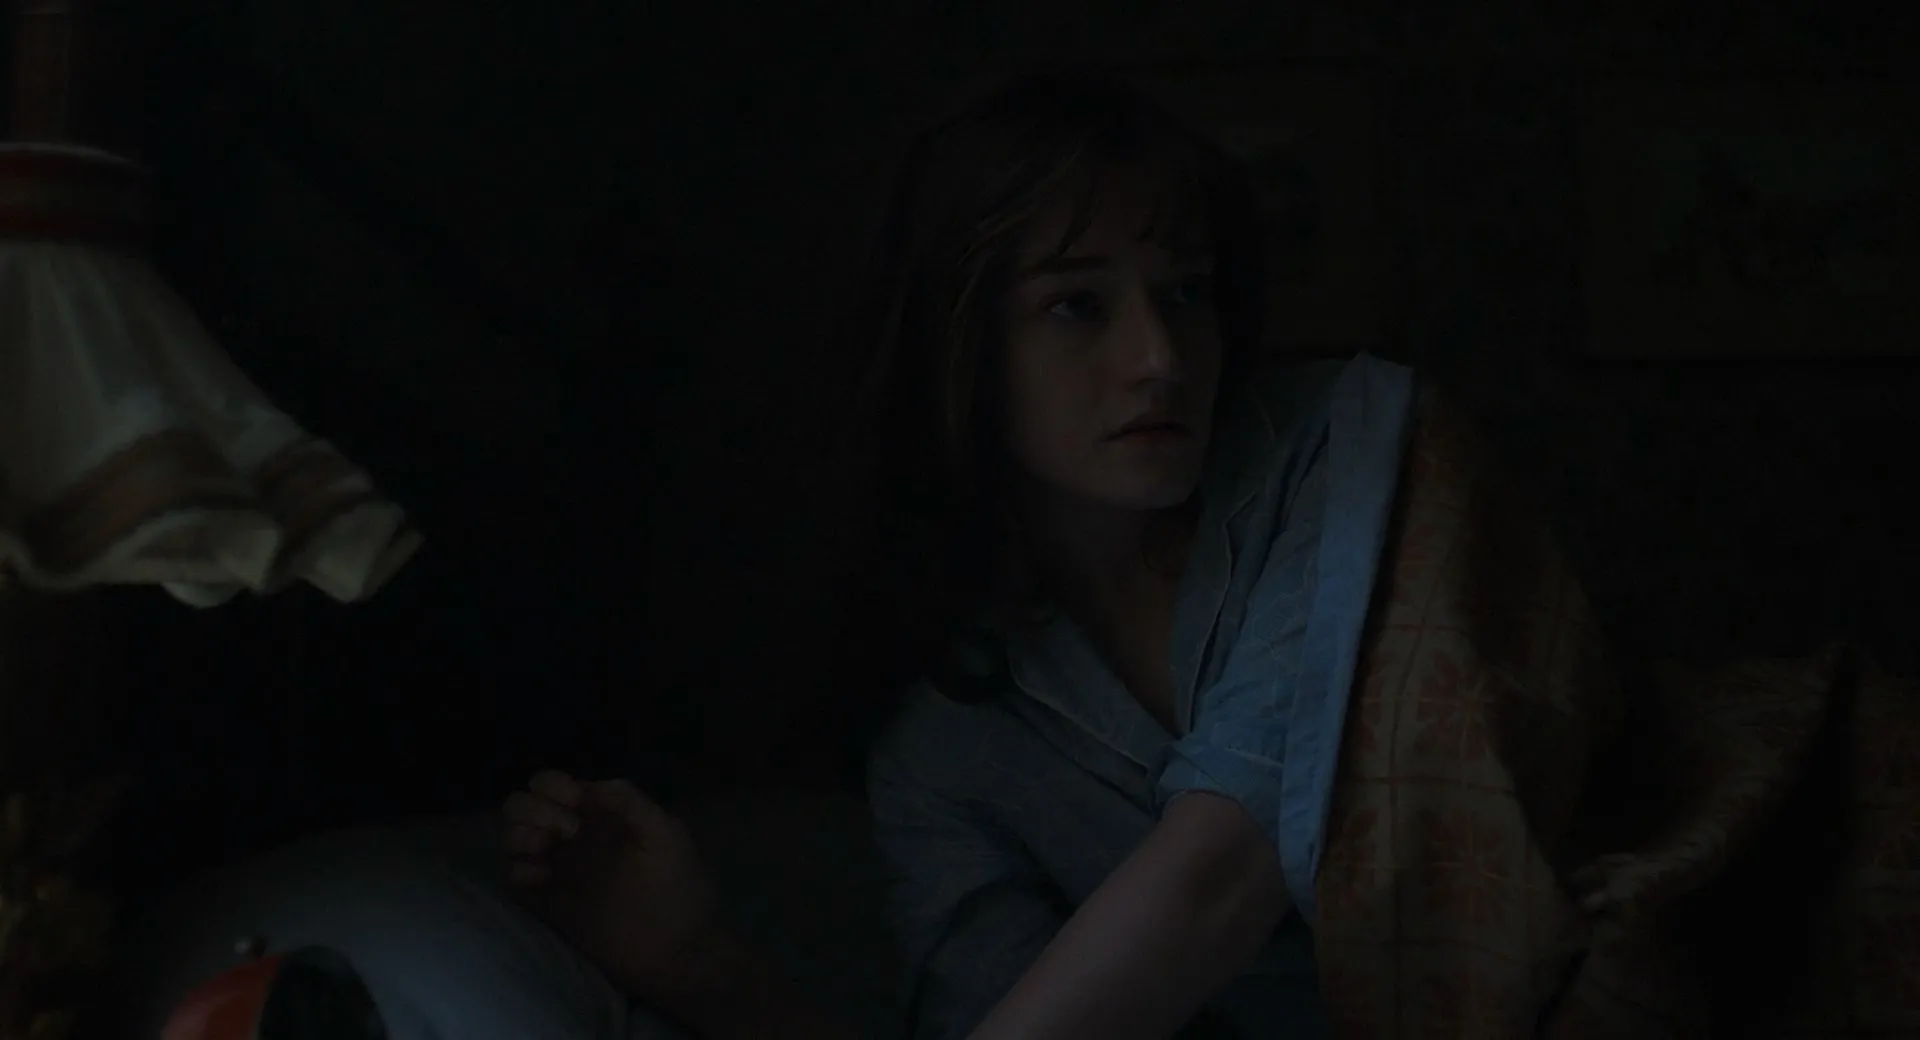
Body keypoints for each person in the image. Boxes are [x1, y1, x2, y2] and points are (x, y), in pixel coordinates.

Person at [504, 71, 1416, 1039]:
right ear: (959, 342)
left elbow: (1226, 870)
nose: (1160, 357)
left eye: (1185, 292)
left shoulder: (1332, 451)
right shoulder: (948, 736)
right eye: (1078, 305)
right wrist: (702, 967)